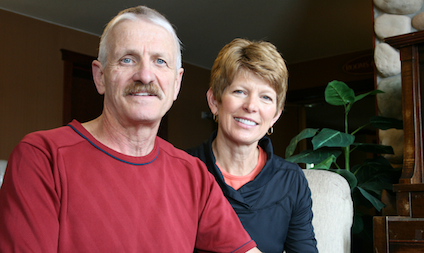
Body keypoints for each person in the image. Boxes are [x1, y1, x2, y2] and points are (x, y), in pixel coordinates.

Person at [0, 6, 261, 253]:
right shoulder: (42, 157)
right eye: (127, 59)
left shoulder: (194, 175)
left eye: (160, 61)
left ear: (176, 84)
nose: (145, 75)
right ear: (100, 76)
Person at [187, 38, 318, 253]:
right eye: (240, 92)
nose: (251, 106)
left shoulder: (291, 180)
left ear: (275, 115)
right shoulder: (185, 170)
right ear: (214, 101)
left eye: (265, 97)